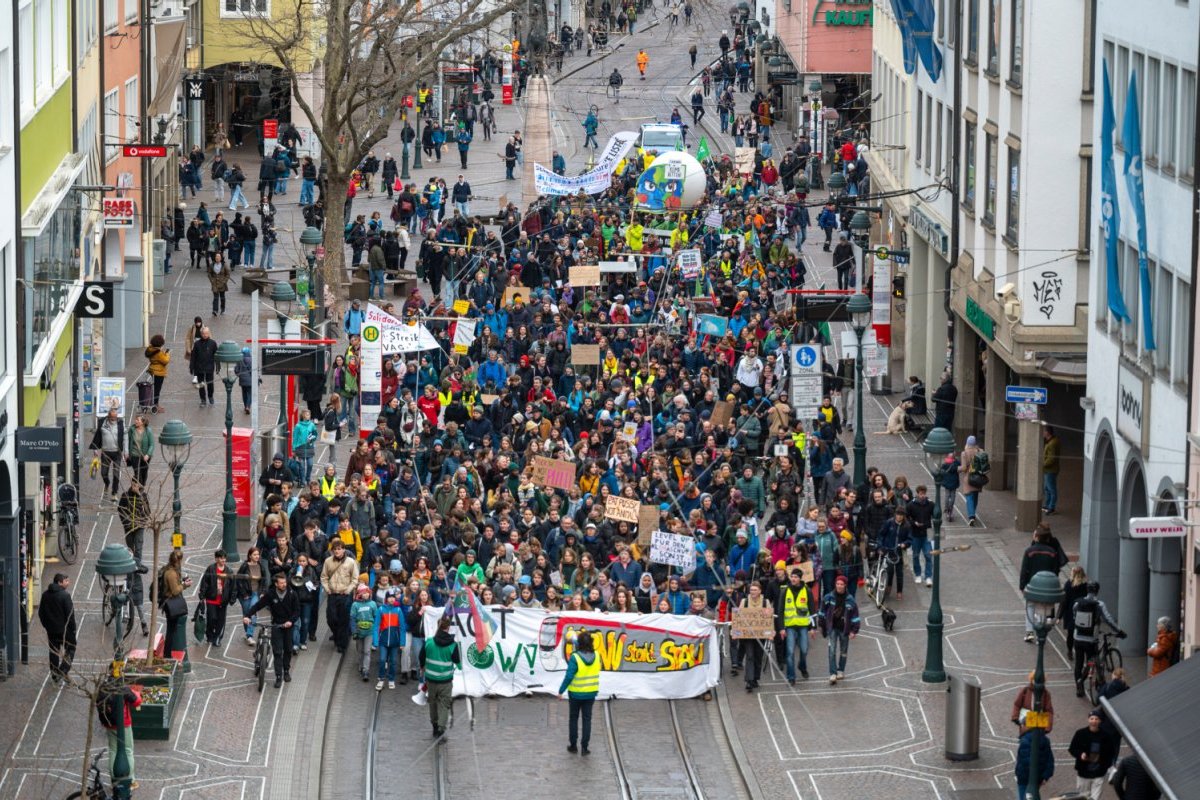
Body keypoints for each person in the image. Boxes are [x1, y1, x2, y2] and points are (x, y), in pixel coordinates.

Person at [242, 571, 300, 688]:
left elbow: (297, 611)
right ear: (276, 584)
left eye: (285, 582)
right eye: (281, 583)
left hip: (288, 626)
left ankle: (286, 671)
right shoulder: (271, 594)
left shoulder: (292, 594)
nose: (284, 584)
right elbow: (258, 605)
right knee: (277, 652)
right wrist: (247, 615)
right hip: (276, 626)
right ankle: (278, 676)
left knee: (288, 649)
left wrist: (291, 621)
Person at [1071, 581, 1125, 697]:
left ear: (1087, 590)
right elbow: (1108, 619)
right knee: (1093, 661)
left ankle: (1079, 688)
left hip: (1077, 638)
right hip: (1091, 639)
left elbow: (1075, 617)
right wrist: (1119, 631)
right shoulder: (1099, 604)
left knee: (1078, 663)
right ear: (1097, 591)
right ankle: (1098, 684)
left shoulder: (1077, 603)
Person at [558, 628, 600, 754]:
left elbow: (569, 676)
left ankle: (573, 745)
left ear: (579, 643)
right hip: (591, 693)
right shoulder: (597, 655)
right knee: (587, 719)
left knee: (573, 718)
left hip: (575, 694)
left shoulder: (575, 657)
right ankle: (585, 748)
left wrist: (561, 691)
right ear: (591, 642)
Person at [1019, 523, 1063, 642]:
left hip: (1032, 584)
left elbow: (1024, 570)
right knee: (1043, 608)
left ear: (1037, 537)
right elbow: (1055, 570)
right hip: (1046, 585)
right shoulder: (1052, 552)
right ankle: (1040, 633)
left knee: (1030, 607)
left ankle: (1029, 631)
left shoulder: (1029, 551)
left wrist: (1022, 586)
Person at [97, 676, 142, 790]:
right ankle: (130, 781)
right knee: (128, 750)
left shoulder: (103, 686)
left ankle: (114, 779)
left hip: (109, 723)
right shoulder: (122, 688)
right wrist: (136, 692)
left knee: (113, 750)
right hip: (123, 724)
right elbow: (137, 702)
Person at [420, 615, 461, 737]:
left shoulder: (429, 642)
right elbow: (457, 662)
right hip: (445, 681)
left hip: (431, 679)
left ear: (438, 626)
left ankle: (434, 725)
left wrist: (422, 667)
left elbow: (421, 656)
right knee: (444, 704)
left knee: (432, 702)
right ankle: (441, 728)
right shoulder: (453, 645)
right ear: (448, 628)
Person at [774, 567, 816, 685]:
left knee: (804, 649)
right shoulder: (785, 591)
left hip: (803, 625)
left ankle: (802, 666)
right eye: (792, 576)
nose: (793, 579)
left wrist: (813, 627)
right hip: (790, 626)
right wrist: (781, 628)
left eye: (796, 577)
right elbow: (780, 610)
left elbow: (812, 609)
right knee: (790, 652)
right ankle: (791, 676)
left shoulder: (807, 590)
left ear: (800, 578)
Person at [817, 575, 860, 684]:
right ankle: (833, 673)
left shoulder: (850, 600)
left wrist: (854, 631)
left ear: (845, 585)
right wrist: (822, 625)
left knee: (843, 651)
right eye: (837, 584)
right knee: (832, 651)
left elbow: (855, 616)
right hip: (832, 628)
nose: (839, 586)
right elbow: (822, 612)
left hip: (845, 629)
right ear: (835, 584)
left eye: (841, 584)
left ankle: (841, 670)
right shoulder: (828, 597)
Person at [1068, 710, 1118, 800]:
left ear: (1100, 721)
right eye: (1092, 719)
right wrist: (1080, 754)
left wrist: (1105, 766)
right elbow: (1072, 748)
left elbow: (1111, 752)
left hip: (1099, 772)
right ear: (1088, 720)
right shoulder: (1080, 733)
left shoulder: (1106, 736)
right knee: (1083, 796)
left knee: (1095, 798)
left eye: (1096, 719)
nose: (1094, 721)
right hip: (1083, 773)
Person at [321, 539, 359, 654]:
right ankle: (337, 636)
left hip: (345, 594)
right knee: (331, 618)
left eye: (339, 549)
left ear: (343, 550)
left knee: (344, 619)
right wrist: (327, 589)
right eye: (335, 549)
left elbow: (355, 579)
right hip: (332, 594)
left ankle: (342, 644)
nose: (337, 551)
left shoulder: (351, 562)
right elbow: (324, 577)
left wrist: (348, 590)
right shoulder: (328, 561)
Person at [38, 573, 77, 683]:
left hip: (51, 630)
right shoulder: (65, 596)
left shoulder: (45, 595)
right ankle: (62, 671)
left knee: (54, 652)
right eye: (66, 581)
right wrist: (73, 629)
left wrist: (46, 626)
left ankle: (54, 675)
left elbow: (41, 613)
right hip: (65, 631)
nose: (68, 583)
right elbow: (70, 615)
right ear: (59, 582)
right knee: (71, 649)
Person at [198, 549, 235, 646]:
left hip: (223, 600)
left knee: (220, 621)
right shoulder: (210, 569)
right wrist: (202, 595)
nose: (223, 560)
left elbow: (233, 586)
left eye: (224, 558)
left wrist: (232, 598)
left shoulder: (229, 571)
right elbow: (204, 582)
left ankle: (217, 638)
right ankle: (210, 636)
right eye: (221, 558)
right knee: (211, 618)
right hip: (211, 599)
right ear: (216, 559)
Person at [90, 407, 125, 500]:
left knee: (116, 474)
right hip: (106, 453)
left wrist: (126, 451)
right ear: (108, 416)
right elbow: (97, 436)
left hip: (117, 453)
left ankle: (114, 493)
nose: (114, 419)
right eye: (112, 417)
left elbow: (125, 436)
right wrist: (95, 449)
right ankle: (107, 483)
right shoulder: (102, 423)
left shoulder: (121, 423)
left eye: (115, 417)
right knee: (103, 473)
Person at [1010, 670, 1055, 736]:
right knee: (1026, 739)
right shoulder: (1025, 690)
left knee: (1039, 741)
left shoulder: (1046, 694)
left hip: (1039, 726)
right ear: (1032, 680)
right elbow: (1017, 704)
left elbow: (1049, 711)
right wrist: (1015, 717)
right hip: (1026, 725)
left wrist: (1047, 727)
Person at [1015, 728, 1054, 800]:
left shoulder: (1025, 740)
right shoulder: (1045, 740)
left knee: (1025, 795)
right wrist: (1045, 776)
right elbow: (1050, 761)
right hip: (1038, 778)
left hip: (1024, 778)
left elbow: (1025, 761)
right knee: (1032, 794)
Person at [192, 326, 218, 407]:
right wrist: (192, 367)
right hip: (199, 368)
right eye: (203, 333)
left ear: (209, 333)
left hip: (209, 367)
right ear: (201, 334)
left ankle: (210, 396)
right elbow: (193, 356)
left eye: (206, 333)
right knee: (201, 384)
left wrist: (218, 366)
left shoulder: (213, 343)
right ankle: (203, 400)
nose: (205, 335)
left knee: (210, 384)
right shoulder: (197, 344)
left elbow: (216, 355)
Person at [144, 335, 170, 412]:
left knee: (155, 388)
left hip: (152, 370)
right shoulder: (158, 352)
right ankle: (156, 405)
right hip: (158, 372)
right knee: (157, 389)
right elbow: (165, 361)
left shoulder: (150, 349)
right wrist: (167, 354)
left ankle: (154, 404)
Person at [1041, 425, 1060, 514]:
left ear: (1047, 432)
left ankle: (1051, 507)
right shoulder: (1051, 441)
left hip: (1050, 470)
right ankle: (1047, 505)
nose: (1042, 433)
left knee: (1051, 489)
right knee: (1047, 488)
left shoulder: (1052, 443)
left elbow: (1051, 458)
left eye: (1043, 431)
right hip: (1048, 470)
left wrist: (1042, 464)